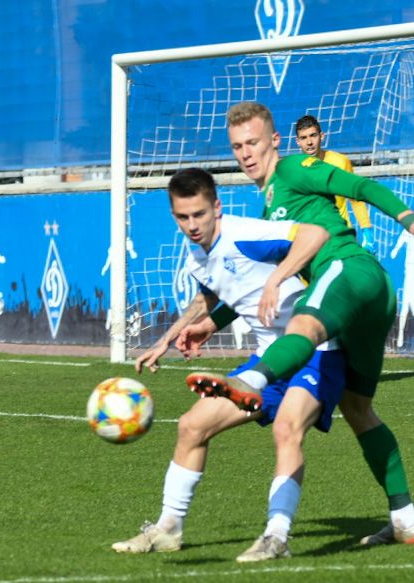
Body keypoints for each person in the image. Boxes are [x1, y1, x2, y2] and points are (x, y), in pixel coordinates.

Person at [191, 101, 414, 546]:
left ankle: (253, 380)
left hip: (349, 269)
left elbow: (358, 187)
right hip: (359, 302)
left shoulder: (294, 171)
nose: (245, 153)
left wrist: (408, 219)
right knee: (357, 409)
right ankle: (406, 519)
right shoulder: (269, 201)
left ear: (274, 141)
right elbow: (256, 288)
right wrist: (210, 324)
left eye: (253, 142)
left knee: (304, 329)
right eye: (237, 147)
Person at [112, 168, 345, 561]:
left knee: (287, 429)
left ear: (216, 207)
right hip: (267, 358)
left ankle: (276, 536)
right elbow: (209, 295)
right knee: (192, 426)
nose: (192, 225)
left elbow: (313, 234)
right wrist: (168, 340)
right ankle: (168, 528)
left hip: (318, 350)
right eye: (183, 218)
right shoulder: (196, 253)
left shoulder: (245, 233)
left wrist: (278, 280)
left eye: (199, 215)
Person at [295, 115, 376, 254]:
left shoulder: (340, 162)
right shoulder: (294, 169)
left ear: (322, 136)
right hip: (311, 242)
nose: (309, 142)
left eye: (313, 135)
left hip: (342, 238)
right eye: (304, 138)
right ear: (297, 141)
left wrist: (367, 233)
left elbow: (356, 198)